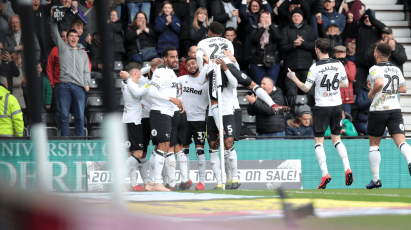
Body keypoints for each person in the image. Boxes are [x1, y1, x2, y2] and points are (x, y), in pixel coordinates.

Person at [196, 21, 290, 131]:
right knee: (253, 85)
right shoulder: (228, 42)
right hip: (230, 66)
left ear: (209, 32)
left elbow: (198, 55)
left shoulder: (203, 42)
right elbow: (231, 58)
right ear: (221, 33)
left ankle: (221, 129)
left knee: (214, 101)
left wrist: (203, 70)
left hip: (215, 68)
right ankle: (273, 105)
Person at [287, 38, 353, 189]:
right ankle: (347, 168)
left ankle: (325, 173)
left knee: (318, 141)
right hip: (337, 106)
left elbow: (305, 88)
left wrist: (293, 77)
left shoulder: (315, 67)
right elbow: (345, 83)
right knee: (337, 140)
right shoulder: (338, 64)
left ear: (317, 49)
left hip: (322, 107)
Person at [365, 43, 411, 189]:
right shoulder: (396, 68)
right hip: (395, 109)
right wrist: (390, 88)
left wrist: (372, 93)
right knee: (402, 142)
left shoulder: (375, 68)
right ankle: (410, 161)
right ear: (389, 55)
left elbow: (378, 82)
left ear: (376, 54)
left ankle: (376, 179)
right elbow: (404, 88)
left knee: (374, 145)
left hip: (379, 109)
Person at [145, 46, 183, 192]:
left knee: (160, 148)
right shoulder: (160, 72)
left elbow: (171, 93)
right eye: (172, 57)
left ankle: (150, 182)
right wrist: (172, 99)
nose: (175, 59)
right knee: (164, 147)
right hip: (159, 112)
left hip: (168, 113)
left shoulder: (172, 73)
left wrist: (178, 102)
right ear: (165, 58)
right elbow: (152, 91)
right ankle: (157, 183)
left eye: (176, 56)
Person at [51, 8, 90, 137]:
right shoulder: (62, 48)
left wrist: (87, 83)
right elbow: (54, 32)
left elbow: (86, 70)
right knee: (64, 116)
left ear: (78, 38)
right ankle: (65, 141)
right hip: (64, 85)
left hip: (79, 86)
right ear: (66, 39)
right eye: (71, 36)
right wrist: (52, 18)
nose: (73, 38)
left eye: (75, 36)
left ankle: (79, 142)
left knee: (80, 116)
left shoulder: (83, 52)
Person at [178, 57, 209, 190]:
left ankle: (201, 182)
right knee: (184, 151)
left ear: (198, 64)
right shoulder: (182, 79)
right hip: (184, 120)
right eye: (188, 64)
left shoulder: (206, 81)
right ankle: (187, 179)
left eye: (193, 63)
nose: (191, 66)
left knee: (200, 151)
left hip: (200, 120)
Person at [120, 62, 149, 191]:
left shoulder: (127, 83)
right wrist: (152, 83)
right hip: (134, 123)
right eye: (138, 75)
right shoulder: (130, 84)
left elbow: (137, 73)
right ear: (135, 73)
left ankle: (133, 184)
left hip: (127, 121)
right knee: (138, 153)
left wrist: (156, 68)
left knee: (131, 154)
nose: (140, 77)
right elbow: (138, 93)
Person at [346, 9, 386, 93]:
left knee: (377, 86)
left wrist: (372, 20)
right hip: (361, 64)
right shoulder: (360, 28)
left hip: (375, 63)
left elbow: (384, 28)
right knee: (358, 87)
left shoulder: (378, 30)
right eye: (366, 17)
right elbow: (350, 34)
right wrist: (360, 20)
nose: (367, 19)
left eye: (369, 18)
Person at [280, 7, 316, 97]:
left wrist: (302, 43)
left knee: (309, 91)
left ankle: (310, 110)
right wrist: (294, 45)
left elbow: (314, 46)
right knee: (291, 92)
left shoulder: (309, 29)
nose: (296, 18)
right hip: (291, 67)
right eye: (294, 16)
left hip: (307, 67)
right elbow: (282, 47)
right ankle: (291, 111)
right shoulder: (285, 30)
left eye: (298, 16)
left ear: (302, 17)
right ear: (291, 18)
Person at [249, 11, 281, 85]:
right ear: (259, 18)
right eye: (262, 17)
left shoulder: (275, 28)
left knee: (271, 85)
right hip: (257, 60)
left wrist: (270, 25)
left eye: (267, 17)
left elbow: (278, 38)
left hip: (272, 60)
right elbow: (254, 39)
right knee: (260, 85)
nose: (265, 19)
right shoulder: (254, 28)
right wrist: (262, 28)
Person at [47, 29, 68, 126]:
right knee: (59, 110)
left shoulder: (75, 49)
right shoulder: (55, 49)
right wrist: (51, 83)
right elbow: (49, 66)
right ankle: (61, 132)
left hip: (72, 83)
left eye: (66, 36)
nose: (65, 38)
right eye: (62, 36)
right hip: (58, 84)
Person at [334, 45, 356, 115]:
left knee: (347, 119)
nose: (340, 54)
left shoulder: (351, 64)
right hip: (334, 97)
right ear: (334, 54)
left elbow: (351, 78)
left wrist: (343, 66)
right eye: (337, 52)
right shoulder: (330, 64)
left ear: (345, 54)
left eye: (342, 52)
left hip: (346, 98)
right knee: (334, 120)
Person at [32, 0, 53, 67]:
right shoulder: (25, 10)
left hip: (43, 48)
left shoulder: (43, 9)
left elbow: (54, 3)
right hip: (31, 47)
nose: (35, 1)